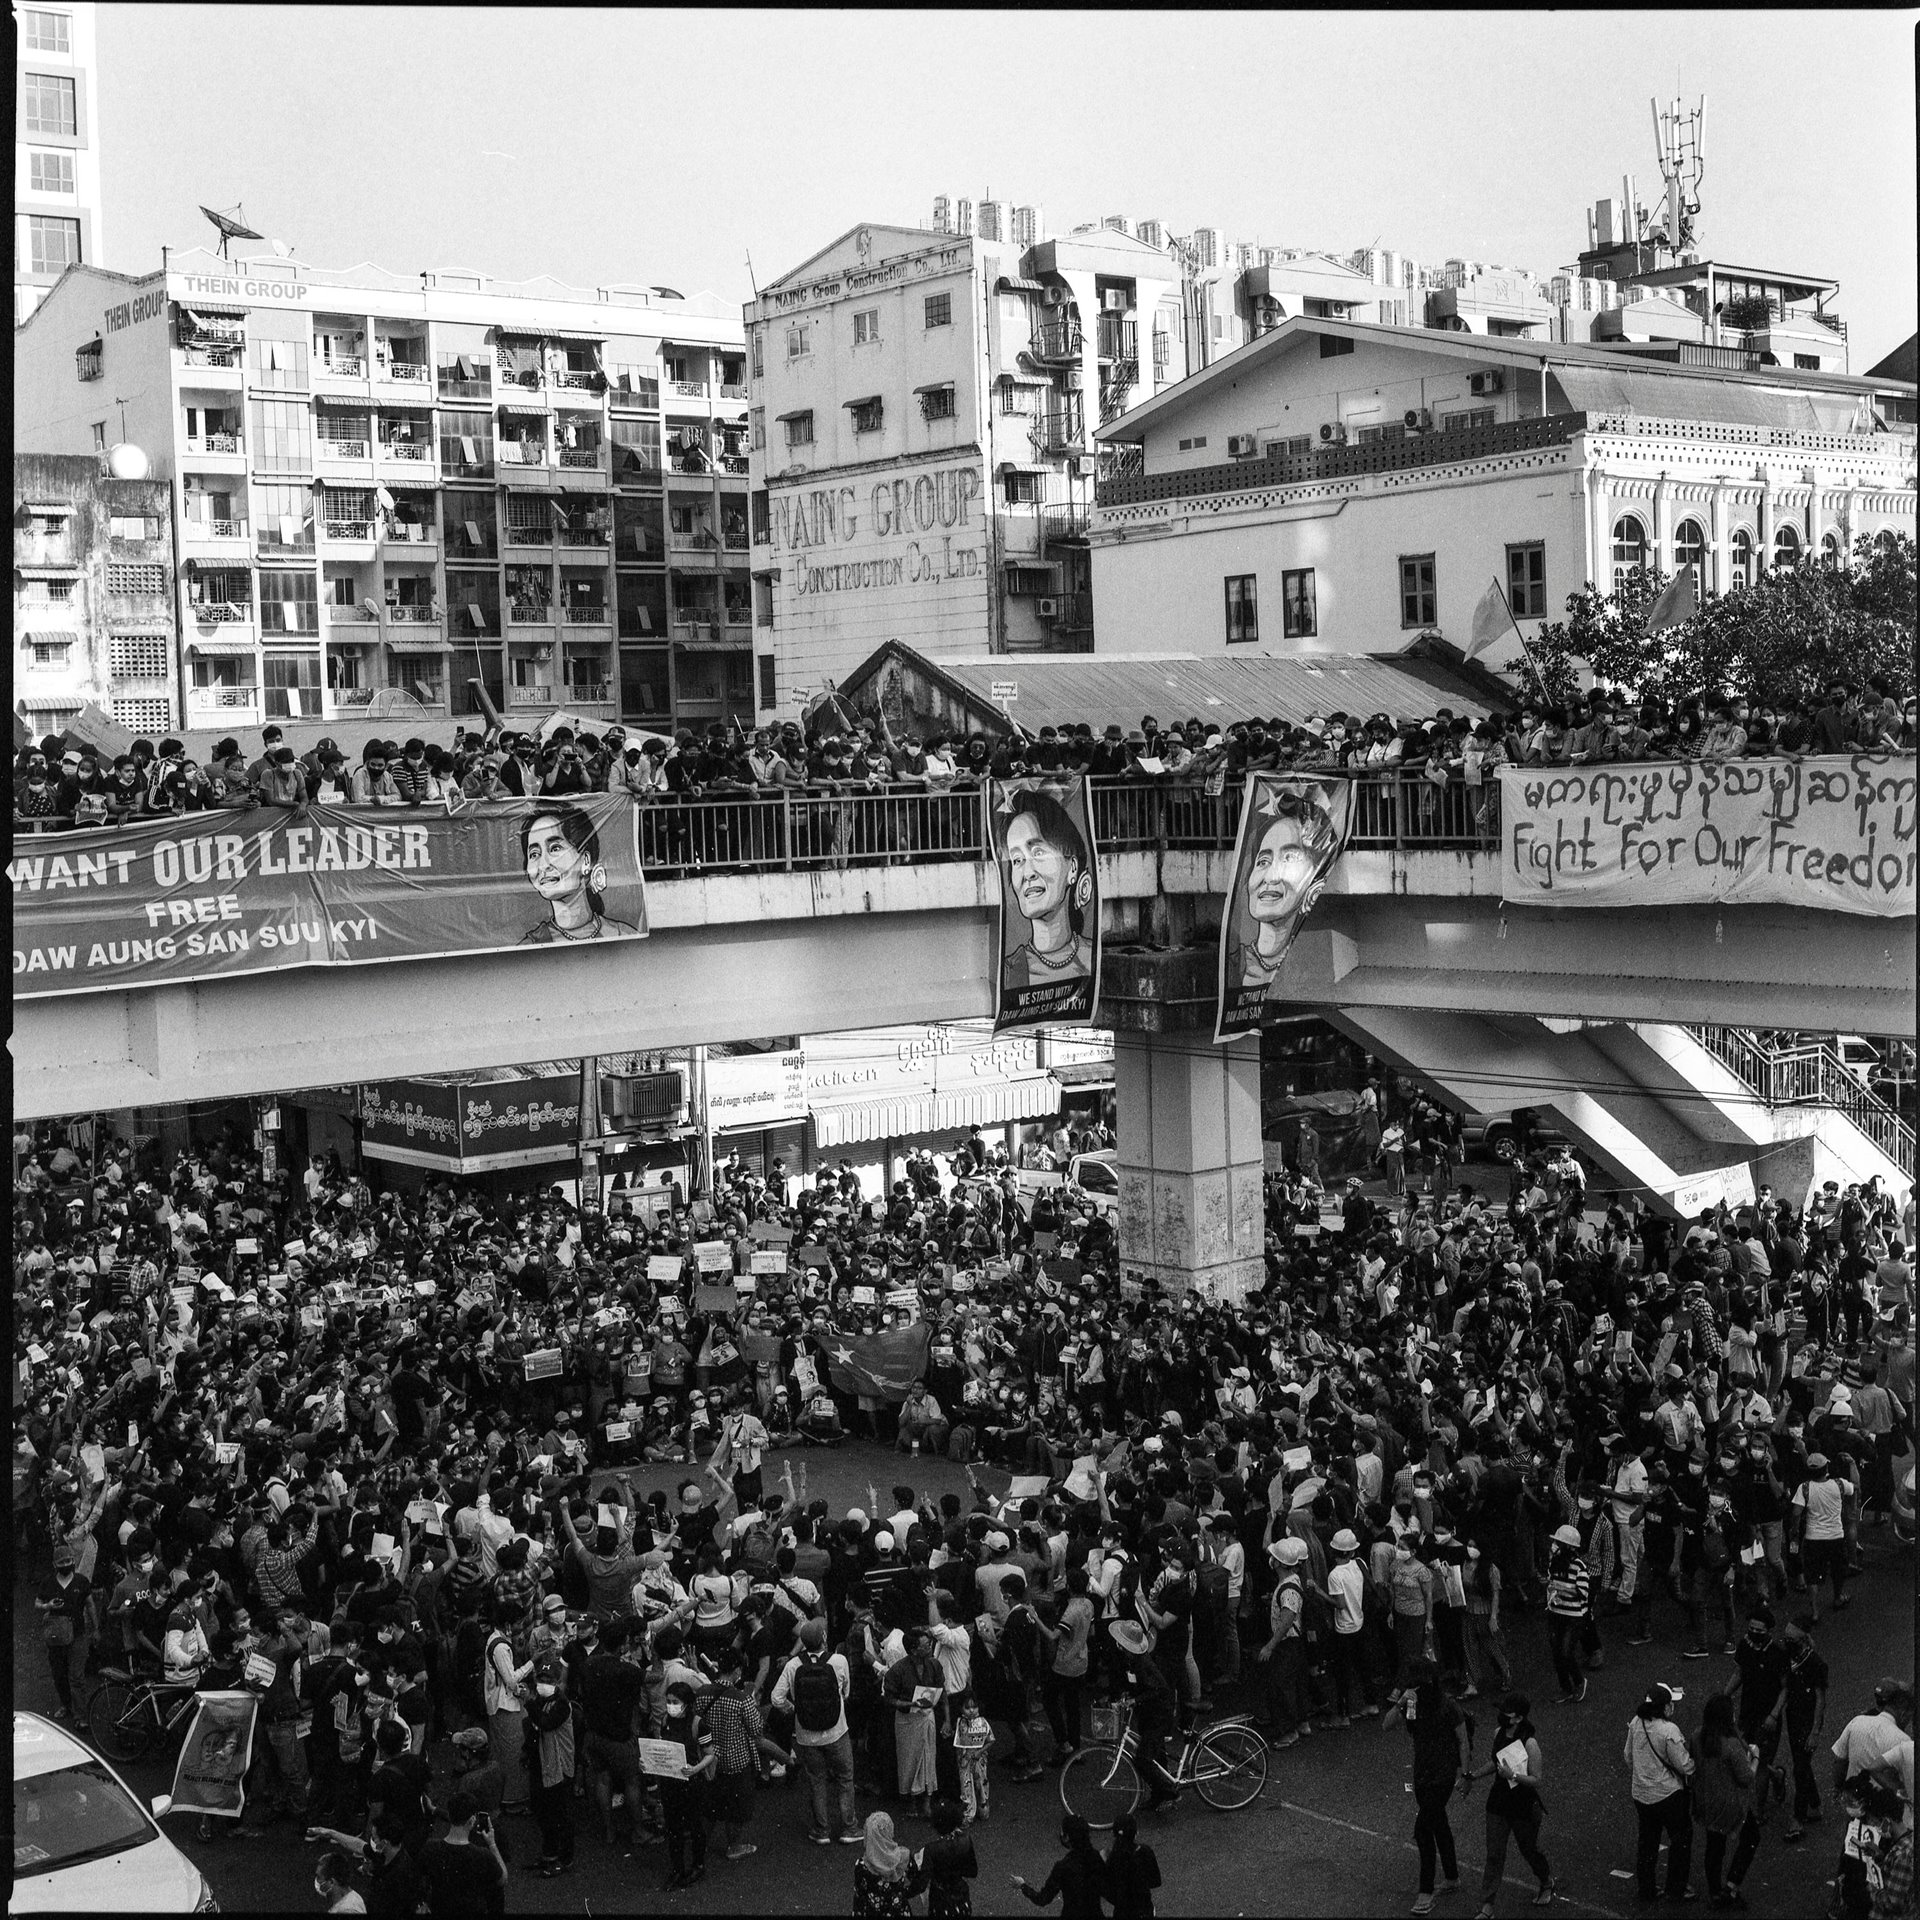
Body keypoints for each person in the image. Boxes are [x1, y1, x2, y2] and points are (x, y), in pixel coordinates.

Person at [1385, 1658, 1472, 1913]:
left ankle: (1425, 1892)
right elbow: (1387, 1725)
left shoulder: (1448, 1707)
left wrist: (1465, 1774)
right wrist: (1401, 1702)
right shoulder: (1412, 1703)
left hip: (1442, 1775)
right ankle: (1452, 1876)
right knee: (1438, 1823)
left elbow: (1463, 1741)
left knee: (1424, 1830)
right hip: (1422, 1773)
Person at [1462, 1691, 1554, 1919]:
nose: (1502, 1715)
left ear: (1519, 1718)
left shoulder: (1530, 1743)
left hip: (1523, 1805)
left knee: (1529, 1849)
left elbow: (1537, 1779)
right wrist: (1472, 1776)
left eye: (1507, 1713)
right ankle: (1487, 1905)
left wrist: (1513, 1775)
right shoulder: (1498, 1733)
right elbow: (1495, 1763)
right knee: (1494, 1854)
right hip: (1499, 1802)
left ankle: (1546, 1880)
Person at [998, 789, 1095, 989]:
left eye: (1038, 852)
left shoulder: (1092, 958)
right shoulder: (1011, 972)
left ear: (1072, 869)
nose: (1027, 873)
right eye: (1017, 860)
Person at [518, 803, 642, 944]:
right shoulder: (532, 945)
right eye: (534, 854)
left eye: (555, 848)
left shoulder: (623, 934)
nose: (543, 865)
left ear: (586, 861)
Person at [1625, 1683, 1696, 1904]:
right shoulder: (1669, 1730)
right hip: (1668, 1795)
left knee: (1647, 1841)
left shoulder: (1637, 1723)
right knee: (1681, 1838)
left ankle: (1646, 1889)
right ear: (1664, 1708)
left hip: (1641, 1794)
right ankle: (1676, 1888)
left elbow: (1628, 1756)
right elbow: (1684, 1766)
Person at [1694, 1691, 1761, 1908]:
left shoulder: (1697, 1737)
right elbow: (1746, 1777)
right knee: (1751, 1837)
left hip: (1706, 1801)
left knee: (1714, 1847)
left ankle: (1714, 1892)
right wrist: (1756, 1757)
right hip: (1731, 1804)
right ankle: (1731, 1886)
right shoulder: (1731, 1745)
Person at [418, 1791, 507, 1916]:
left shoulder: (430, 1848)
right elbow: (502, 1879)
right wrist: (492, 1844)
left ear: (450, 1815)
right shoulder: (483, 1855)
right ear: (472, 1820)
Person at [1012, 1811, 1107, 1918]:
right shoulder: (1097, 1858)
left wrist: (1023, 1885)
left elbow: (1043, 1899)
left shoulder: (1063, 1867)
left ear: (1067, 1838)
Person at [852, 1810, 922, 1919]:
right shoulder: (903, 1858)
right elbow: (918, 1882)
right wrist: (902, 1894)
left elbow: (859, 1898)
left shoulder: (862, 1865)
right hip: (899, 1911)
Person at [1105, 1811, 1164, 1918]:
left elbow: (1107, 1889)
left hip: (1122, 1912)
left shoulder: (1113, 1857)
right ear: (1136, 1833)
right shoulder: (1145, 1851)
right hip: (1144, 1909)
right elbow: (1156, 1882)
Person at [314, 1846, 368, 1914]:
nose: (316, 1881)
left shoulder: (347, 1910)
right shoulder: (351, 1897)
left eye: (319, 1877)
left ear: (331, 1882)